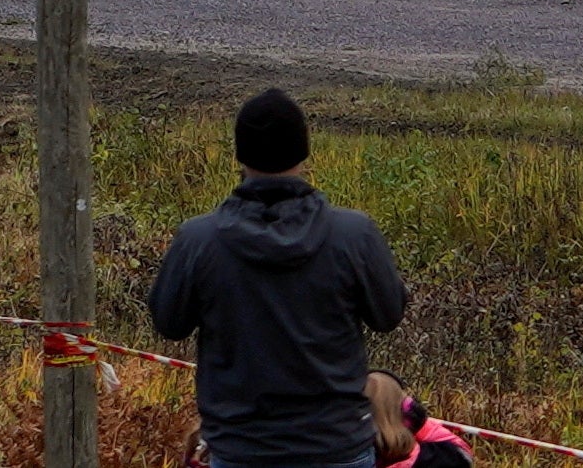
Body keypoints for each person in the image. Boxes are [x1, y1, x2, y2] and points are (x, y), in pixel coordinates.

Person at [149, 90, 410, 468]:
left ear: (240, 155)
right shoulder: (354, 235)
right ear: (303, 153)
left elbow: (168, 323)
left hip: (241, 449)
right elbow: (389, 315)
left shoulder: (199, 240)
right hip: (336, 446)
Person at [365, 373, 473, 468]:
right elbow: (463, 453)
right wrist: (421, 423)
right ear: (406, 408)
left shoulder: (357, 457)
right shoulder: (438, 457)